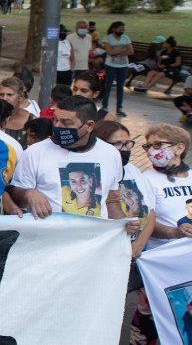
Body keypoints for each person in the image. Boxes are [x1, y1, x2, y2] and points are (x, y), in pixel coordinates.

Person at [10, 96, 123, 220]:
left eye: (66, 123)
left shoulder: (111, 154)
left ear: (89, 125)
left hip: (94, 237)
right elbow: (16, 196)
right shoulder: (34, 152)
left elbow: (111, 200)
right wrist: (28, 193)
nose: (58, 126)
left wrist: (123, 223)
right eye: (55, 120)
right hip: (49, 237)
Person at [94, 120, 155, 344]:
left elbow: (150, 212)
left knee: (126, 322)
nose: (125, 149)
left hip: (134, 261)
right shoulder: (96, 168)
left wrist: (138, 245)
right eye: (117, 144)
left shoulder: (134, 170)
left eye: (127, 143)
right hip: (103, 259)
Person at [140, 124, 192, 245]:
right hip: (164, 254)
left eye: (158, 144)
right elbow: (143, 220)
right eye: (148, 146)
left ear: (179, 148)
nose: (151, 151)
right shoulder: (146, 179)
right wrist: (175, 232)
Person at [101, 21, 133, 117]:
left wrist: (116, 51)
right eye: (119, 29)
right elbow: (109, 52)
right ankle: (105, 106)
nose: (121, 31)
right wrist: (123, 49)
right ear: (114, 29)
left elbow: (131, 51)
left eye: (123, 29)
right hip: (110, 65)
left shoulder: (126, 38)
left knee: (120, 87)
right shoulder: (107, 38)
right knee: (108, 85)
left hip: (123, 65)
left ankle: (119, 108)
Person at [0, 77, 35, 147]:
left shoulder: (32, 120)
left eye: (9, 95)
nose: (5, 99)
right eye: (2, 95)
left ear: (20, 97)